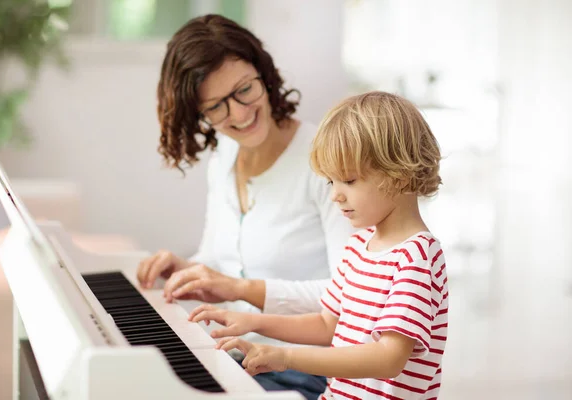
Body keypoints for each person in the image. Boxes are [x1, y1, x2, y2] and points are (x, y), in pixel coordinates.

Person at [135, 14, 355, 399]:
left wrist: (240, 288)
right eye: (216, 107)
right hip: (234, 356)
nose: (238, 114)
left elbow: (353, 296)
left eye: (244, 90)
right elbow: (223, 262)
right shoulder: (224, 155)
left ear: (264, 74)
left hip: (304, 368)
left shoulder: (326, 159)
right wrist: (188, 270)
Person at [189, 91, 449, 400]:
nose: (335, 195)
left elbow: (388, 358)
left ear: (400, 174)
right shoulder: (358, 247)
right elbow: (328, 325)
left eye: (348, 181)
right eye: (331, 182)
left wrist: (286, 358)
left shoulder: (417, 257)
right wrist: (252, 322)